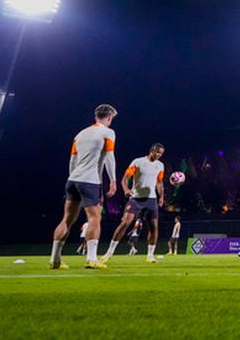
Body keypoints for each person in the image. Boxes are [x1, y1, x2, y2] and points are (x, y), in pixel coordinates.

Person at [49, 104, 118, 270]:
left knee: (67, 219)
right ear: (109, 118)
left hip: (72, 180)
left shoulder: (79, 134)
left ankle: (55, 259)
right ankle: (91, 258)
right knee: (94, 218)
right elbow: (110, 156)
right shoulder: (108, 132)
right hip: (90, 181)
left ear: (96, 116)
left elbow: (72, 160)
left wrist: (73, 178)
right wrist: (113, 180)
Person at [103, 143, 166, 263]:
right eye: (157, 152)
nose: (159, 155)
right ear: (152, 150)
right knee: (125, 223)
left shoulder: (160, 165)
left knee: (154, 227)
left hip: (151, 200)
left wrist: (161, 197)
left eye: (161, 153)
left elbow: (159, 182)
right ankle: (108, 253)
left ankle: (150, 256)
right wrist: (126, 190)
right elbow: (125, 178)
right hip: (136, 199)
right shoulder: (138, 162)